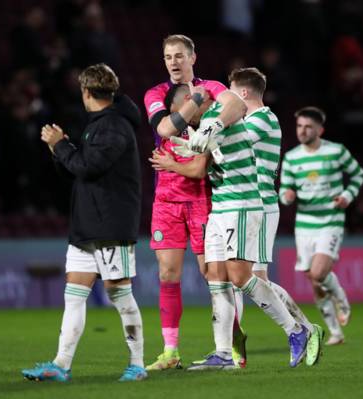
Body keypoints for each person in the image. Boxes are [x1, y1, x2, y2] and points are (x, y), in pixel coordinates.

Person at [152, 87, 310, 370]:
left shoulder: (218, 115)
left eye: (184, 115)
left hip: (242, 202)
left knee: (240, 277)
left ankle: (296, 330)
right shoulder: (205, 123)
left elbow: (205, 141)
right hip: (221, 206)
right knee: (217, 278)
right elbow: (204, 148)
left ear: (192, 102)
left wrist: (182, 149)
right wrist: (188, 144)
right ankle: (223, 353)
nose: (185, 122)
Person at [21, 63, 146, 382]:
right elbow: (79, 168)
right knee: (73, 295)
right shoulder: (100, 125)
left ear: (87, 92)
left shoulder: (114, 126)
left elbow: (89, 167)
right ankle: (60, 365)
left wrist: (62, 145)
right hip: (88, 225)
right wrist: (58, 148)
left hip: (110, 225)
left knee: (119, 294)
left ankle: (137, 364)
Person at [143, 34, 248, 371]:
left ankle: (233, 343)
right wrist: (197, 100)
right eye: (167, 57)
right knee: (167, 273)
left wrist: (214, 117)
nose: (173, 62)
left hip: (203, 196)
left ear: (192, 57)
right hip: (166, 200)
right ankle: (170, 351)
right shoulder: (156, 94)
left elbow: (238, 105)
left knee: (211, 274)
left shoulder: (214, 86)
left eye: (179, 56)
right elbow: (162, 128)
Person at [228, 67, 323, 365]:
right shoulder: (255, 120)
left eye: (231, 91)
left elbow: (233, 144)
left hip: (261, 204)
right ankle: (305, 329)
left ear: (243, 93)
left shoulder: (262, 120)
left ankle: (303, 329)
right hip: (253, 204)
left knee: (251, 278)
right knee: (252, 278)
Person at [279, 107, 363, 345]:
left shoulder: (336, 151)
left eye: (308, 126)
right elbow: (284, 192)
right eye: (299, 126)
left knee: (318, 273)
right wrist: (286, 196)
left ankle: (342, 299)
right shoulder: (292, 157)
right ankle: (335, 332)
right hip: (305, 223)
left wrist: (347, 195)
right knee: (315, 280)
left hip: (330, 219)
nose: (302, 131)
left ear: (320, 129)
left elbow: (358, 174)